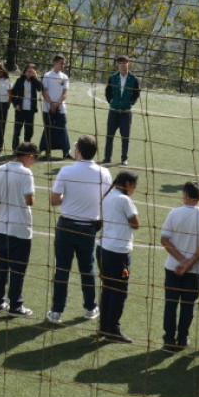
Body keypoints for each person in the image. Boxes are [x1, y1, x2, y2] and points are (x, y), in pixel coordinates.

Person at [45, 135, 112, 323]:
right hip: (89, 227)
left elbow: (53, 201)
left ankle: (57, 311)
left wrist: (69, 199)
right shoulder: (104, 173)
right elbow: (105, 199)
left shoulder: (66, 171)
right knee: (87, 268)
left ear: (79, 151)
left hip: (66, 226)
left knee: (62, 270)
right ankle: (90, 308)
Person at [160, 181, 199, 349]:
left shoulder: (174, 213)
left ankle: (169, 339)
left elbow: (164, 239)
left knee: (171, 303)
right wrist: (189, 263)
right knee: (188, 305)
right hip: (195, 270)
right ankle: (183, 338)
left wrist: (181, 261)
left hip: (172, 267)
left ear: (184, 195)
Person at [0, 142, 38, 317]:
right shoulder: (26, 173)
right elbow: (30, 200)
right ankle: (16, 305)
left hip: (1, 226)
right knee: (18, 269)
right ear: (29, 156)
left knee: (1, 266)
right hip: (20, 227)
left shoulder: (0, 169)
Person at [97, 170, 140, 342]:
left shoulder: (107, 195)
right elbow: (136, 223)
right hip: (118, 253)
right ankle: (113, 329)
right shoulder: (124, 200)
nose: (134, 190)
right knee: (120, 291)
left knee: (107, 288)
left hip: (103, 249)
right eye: (134, 187)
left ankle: (104, 326)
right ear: (128, 184)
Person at [103, 55, 140, 165]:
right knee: (110, 135)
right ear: (118, 65)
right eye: (120, 63)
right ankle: (107, 157)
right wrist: (111, 101)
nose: (123, 65)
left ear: (128, 64)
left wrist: (131, 102)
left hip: (125, 113)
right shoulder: (113, 77)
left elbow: (136, 93)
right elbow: (108, 92)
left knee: (125, 136)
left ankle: (124, 158)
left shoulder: (133, 79)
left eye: (125, 63)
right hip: (113, 111)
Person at [40, 55, 73, 160]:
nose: (62, 65)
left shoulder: (65, 77)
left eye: (64, 63)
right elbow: (44, 91)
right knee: (48, 128)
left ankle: (66, 152)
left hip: (60, 107)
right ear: (54, 62)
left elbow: (65, 93)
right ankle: (47, 151)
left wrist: (57, 104)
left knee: (62, 129)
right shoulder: (47, 75)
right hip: (47, 107)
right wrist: (50, 104)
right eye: (61, 63)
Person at [10, 64, 42, 150]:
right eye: (28, 69)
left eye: (32, 70)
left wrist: (35, 77)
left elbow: (40, 88)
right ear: (25, 71)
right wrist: (15, 104)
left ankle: (26, 148)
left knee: (29, 131)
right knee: (17, 131)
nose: (30, 70)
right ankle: (15, 148)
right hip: (20, 110)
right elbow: (12, 93)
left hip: (30, 110)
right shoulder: (19, 80)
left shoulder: (34, 81)